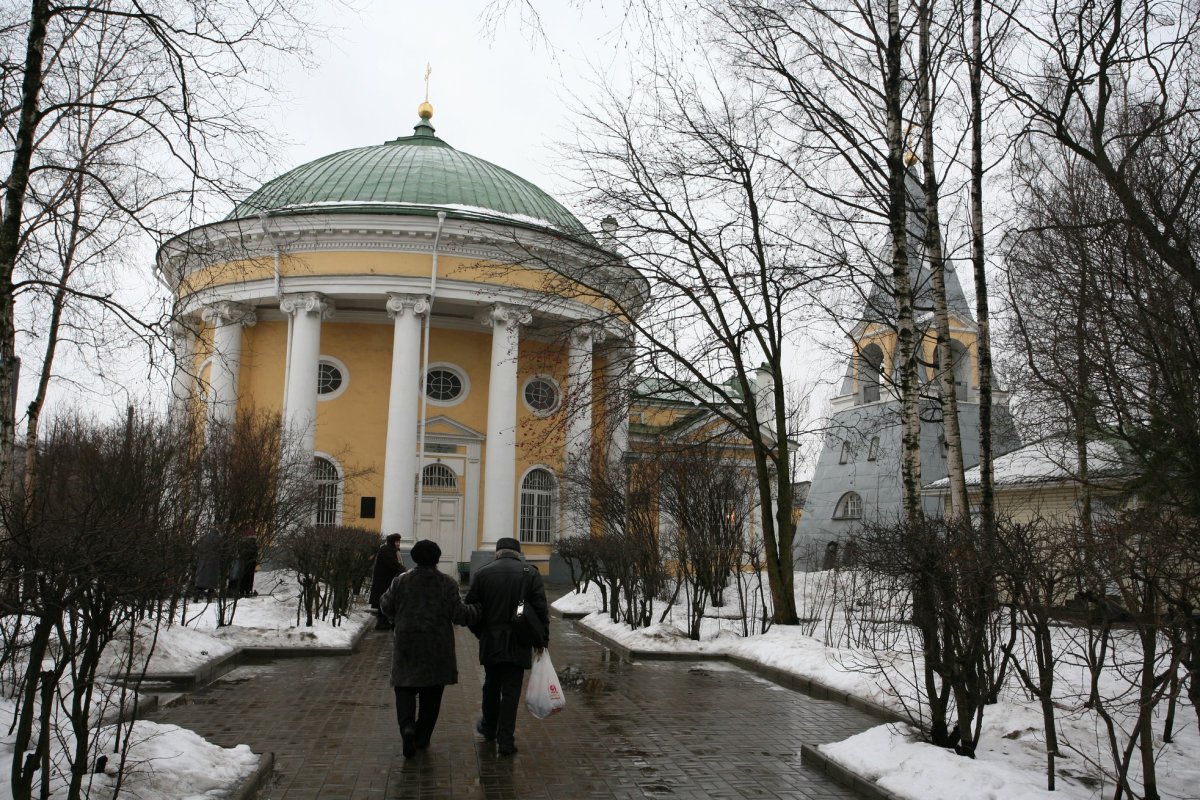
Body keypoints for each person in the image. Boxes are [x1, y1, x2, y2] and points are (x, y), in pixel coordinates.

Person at [378, 539, 479, 758]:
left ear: (414, 557)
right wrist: (478, 610)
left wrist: (399, 619)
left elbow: (385, 605)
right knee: (431, 694)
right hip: (437, 646)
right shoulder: (447, 583)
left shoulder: (400, 581)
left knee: (404, 688)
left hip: (407, 643)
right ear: (437, 558)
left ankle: (407, 727)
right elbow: (459, 615)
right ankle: (422, 738)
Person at [465, 537, 549, 756]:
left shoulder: (482, 573)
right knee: (511, 692)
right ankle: (506, 741)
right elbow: (540, 611)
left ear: (497, 552)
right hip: (519, 640)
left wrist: (482, 633)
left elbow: (471, 611)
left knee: (490, 686)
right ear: (518, 553)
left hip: (491, 640)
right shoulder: (530, 573)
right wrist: (542, 642)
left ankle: (489, 727)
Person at [370, 534, 405, 630]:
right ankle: (381, 624)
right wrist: (403, 570)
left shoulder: (393, 550)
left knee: (385, 600)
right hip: (383, 581)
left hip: (387, 580)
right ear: (392, 542)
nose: (398, 544)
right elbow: (393, 563)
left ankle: (383, 623)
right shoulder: (386, 550)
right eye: (396, 542)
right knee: (383, 601)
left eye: (399, 542)